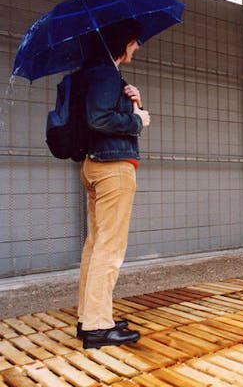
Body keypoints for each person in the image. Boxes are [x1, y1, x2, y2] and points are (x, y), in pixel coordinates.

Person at [75, 19, 151, 349]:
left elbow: (99, 115)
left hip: (95, 164)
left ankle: (90, 316)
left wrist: (134, 102)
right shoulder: (106, 72)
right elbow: (99, 119)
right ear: (122, 42)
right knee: (110, 248)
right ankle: (97, 326)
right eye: (134, 41)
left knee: (95, 246)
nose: (137, 46)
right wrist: (138, 120)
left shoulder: (94, 73)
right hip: (113, 169)